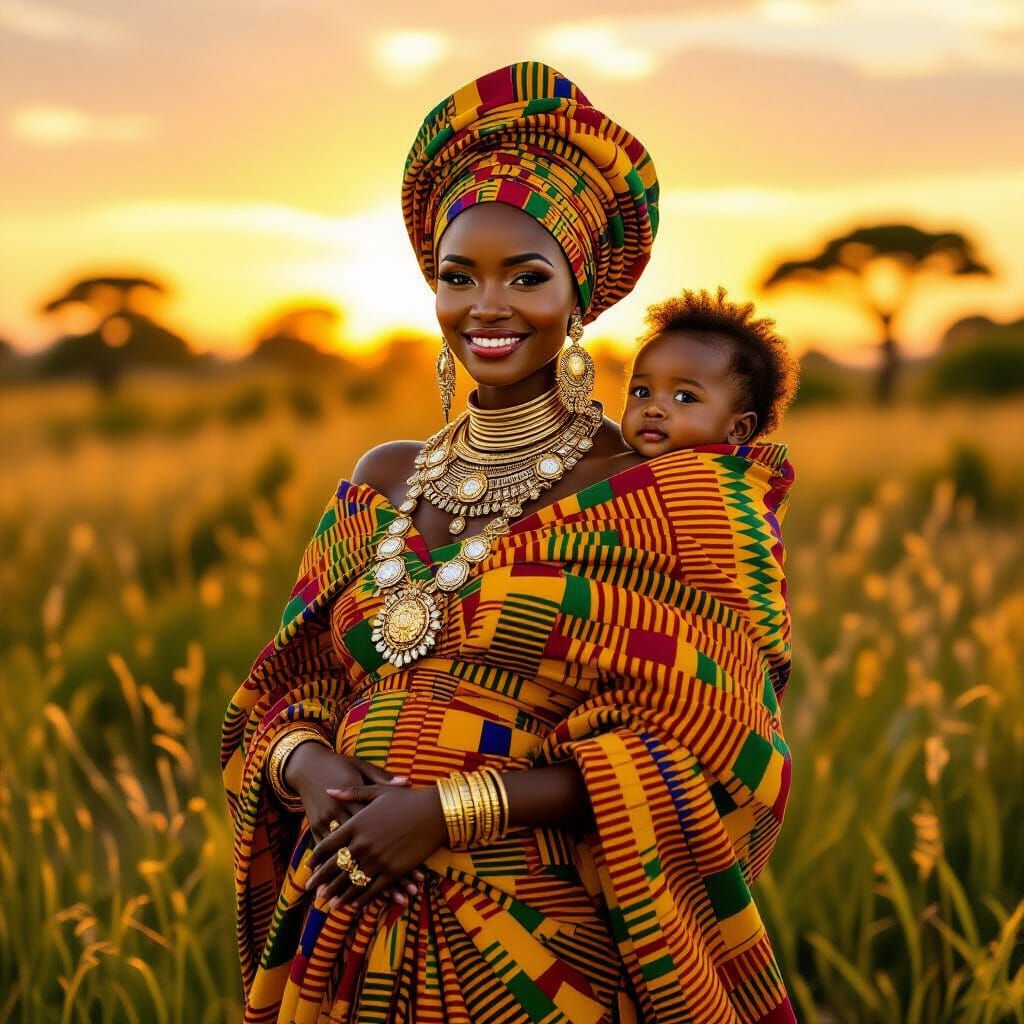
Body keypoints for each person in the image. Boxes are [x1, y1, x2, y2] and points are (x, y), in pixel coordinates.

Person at [222, 61, 797, 1023]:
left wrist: (448, 812)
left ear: (579, 295)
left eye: (525, 277)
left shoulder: (655, 494)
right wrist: (314, 773)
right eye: (458, 276)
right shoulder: (381, 480)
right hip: (342, 923)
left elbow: (713, 747)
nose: (486, 307)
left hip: (542, 949)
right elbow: (284, 693)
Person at [621, 286, 799, 457]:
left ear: (739, 428)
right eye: (641, 392)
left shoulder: (724, 483)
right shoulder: (617, 458)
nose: (652, 409)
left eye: (684, 397)